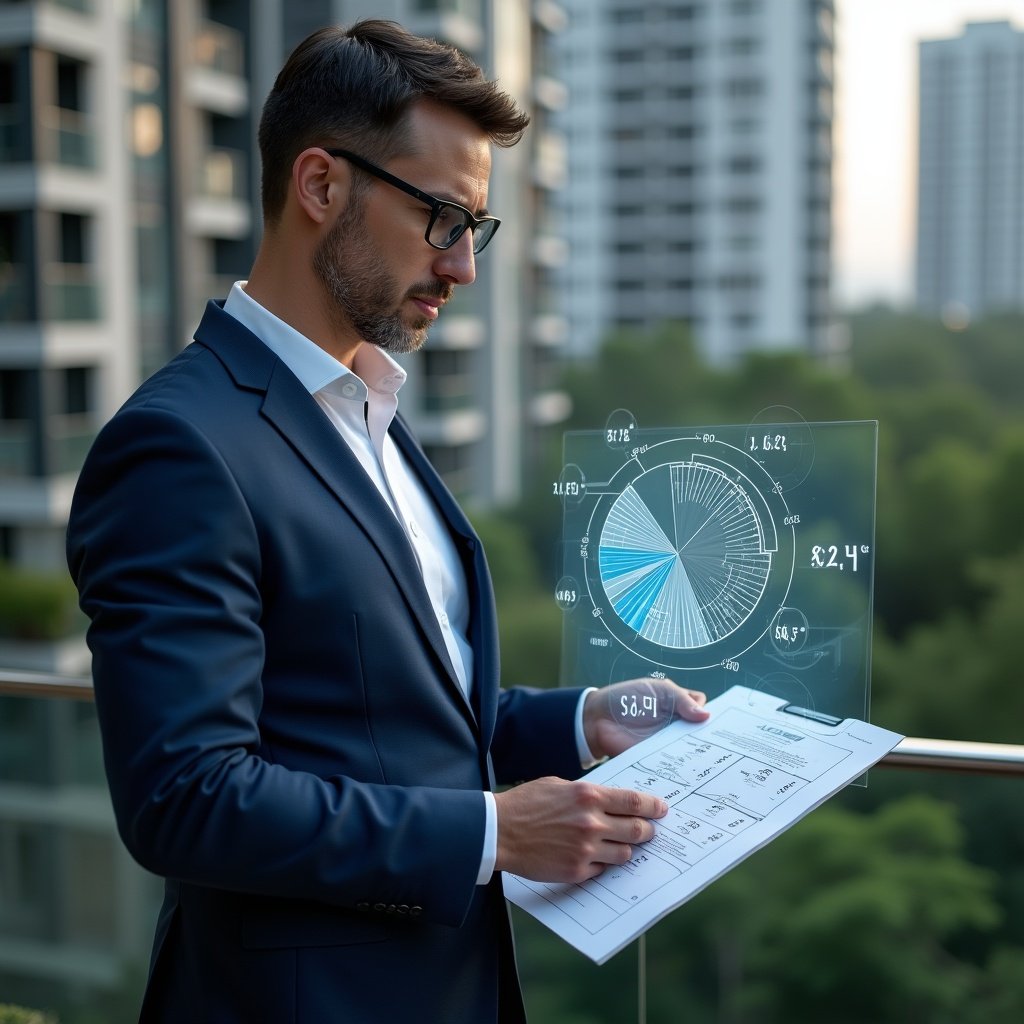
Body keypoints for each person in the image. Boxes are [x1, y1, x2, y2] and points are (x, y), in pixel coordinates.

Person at [66, 20, 709, 1023]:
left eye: (474, 229)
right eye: (443, 219)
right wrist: (492, 835)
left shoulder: (373, 416)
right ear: (320, 186)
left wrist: (579, 718)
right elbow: (184, 796)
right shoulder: (178, 446)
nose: (462, 268)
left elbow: (394, 717)